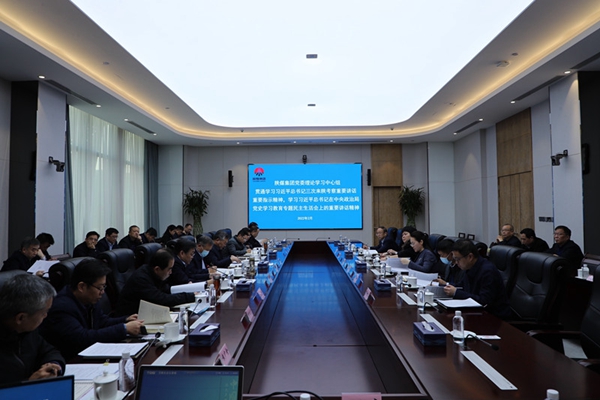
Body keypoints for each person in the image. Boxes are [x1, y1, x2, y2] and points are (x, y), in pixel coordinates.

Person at [40, 259, 144, 360]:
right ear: (82, 287)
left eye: (104, 287)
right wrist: (124, 328)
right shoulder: (62, 308)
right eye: (100, 288)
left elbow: (102, 322)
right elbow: (82, 338)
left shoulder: (88, 299)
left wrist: (125, 320)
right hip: (71, 360)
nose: (102, 292)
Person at [0, 273, 65, 384]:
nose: (46, 316)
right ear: (21, 318)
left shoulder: (27, 330)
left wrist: (54, 365)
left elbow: (49, 351)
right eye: (43, 312)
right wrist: (28, 383)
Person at [116, 249, 196, 317]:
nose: (171, 272)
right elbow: (161, 299)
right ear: (157, 269)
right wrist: (190, 296)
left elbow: (166, 290)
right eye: (169, 269)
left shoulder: (155, 274)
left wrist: (189, 292)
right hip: (131, 318)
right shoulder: (141, 279)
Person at [444, 240, 511, 319]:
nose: (456, 262)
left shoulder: (487, 271)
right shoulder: (470, 267)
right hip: (476, 313)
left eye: (458, 259)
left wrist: (456, 292)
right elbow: (461, 285)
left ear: (470, 257)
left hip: (494, 317)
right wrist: (446, 286)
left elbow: (484, 302)